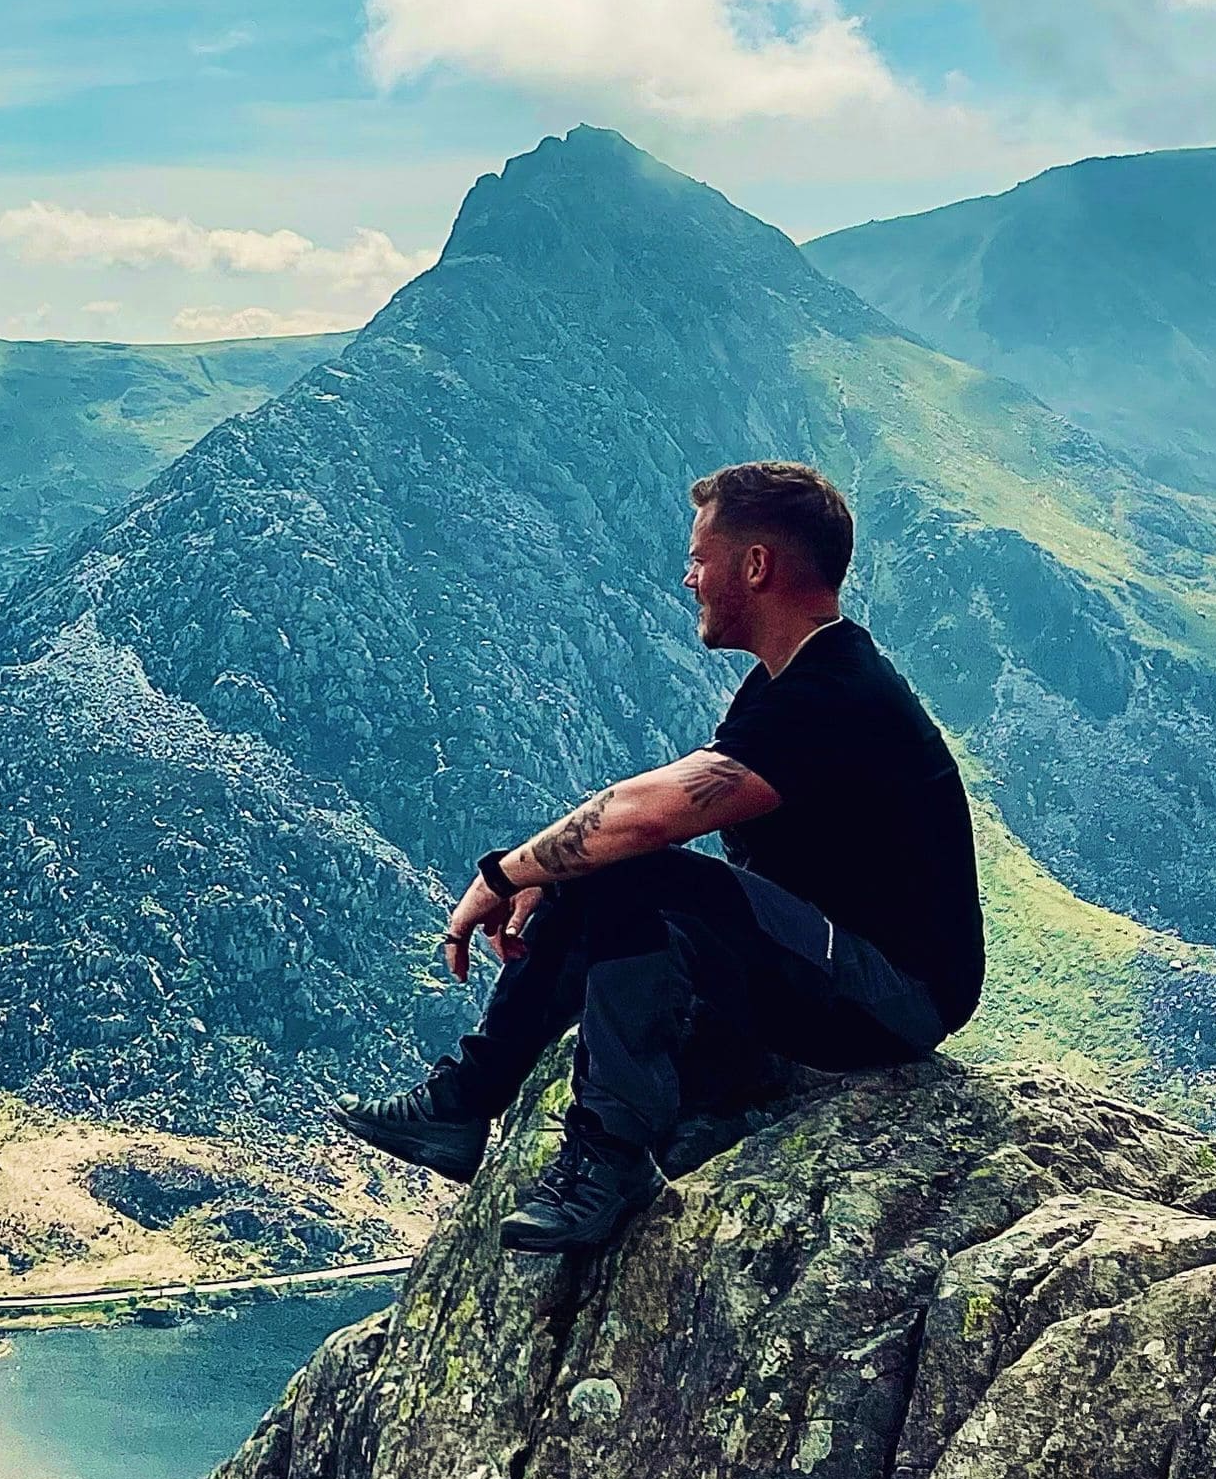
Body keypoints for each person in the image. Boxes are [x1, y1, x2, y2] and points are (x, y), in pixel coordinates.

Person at [335, 461, 984, 1254]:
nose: (688, 579)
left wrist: (509, 873)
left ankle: (609, 1158)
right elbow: (644, 826)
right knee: (607, 866)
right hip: (824, 969)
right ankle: (463, 1103)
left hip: (894, 996)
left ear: (756, 565)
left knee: (633, 867)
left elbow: (647, 819)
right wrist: (558, 874)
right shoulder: (785, 688)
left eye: (699, 558)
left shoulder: (835, 693)